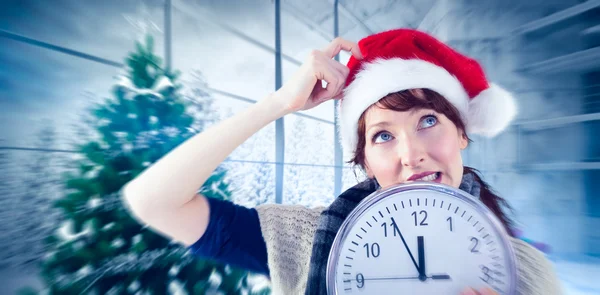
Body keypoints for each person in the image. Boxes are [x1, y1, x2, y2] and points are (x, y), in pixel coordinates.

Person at [122, 29, 563, 295]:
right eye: (383, 135)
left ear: (462, 131)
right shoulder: (311, 242)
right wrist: (277, 104)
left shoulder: (524, 273)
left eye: (428, 120)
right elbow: (153, 201)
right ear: (366, 161)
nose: (411, 154)